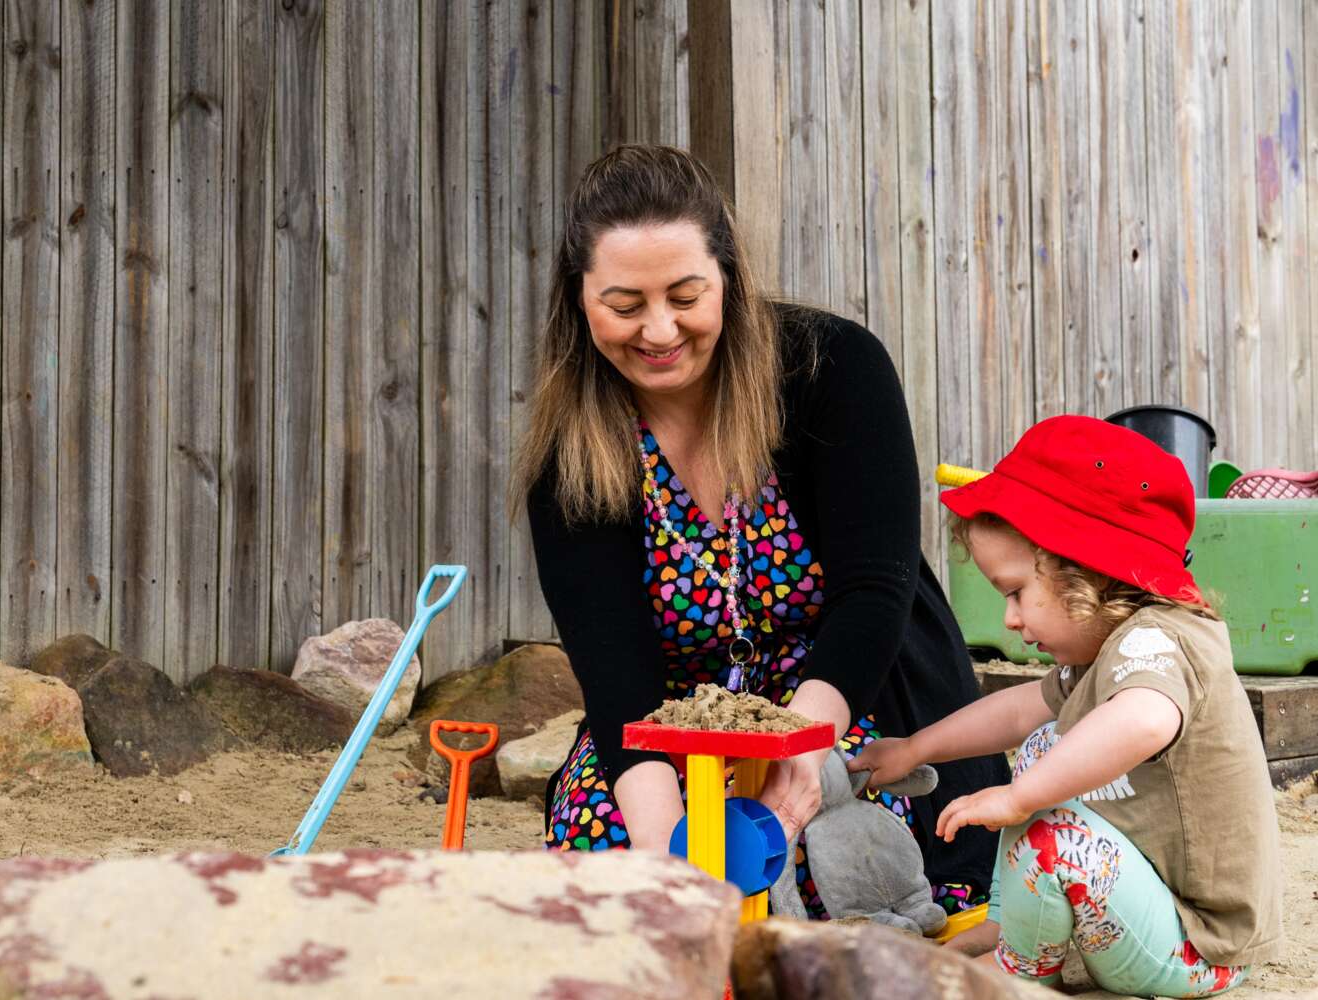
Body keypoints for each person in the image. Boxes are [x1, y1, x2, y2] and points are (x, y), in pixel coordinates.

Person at [515, 144, 1006, 919]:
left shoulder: (833, 368)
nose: (658, 329)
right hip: (669, 725)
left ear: (729, 280)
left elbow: (875, 593)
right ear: (578, 302)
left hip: (850, 695)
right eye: (624, 304)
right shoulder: (569, 457)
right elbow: (614, 670)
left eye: (685, 295)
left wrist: (798, 753)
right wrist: (663, 848)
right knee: (618, 885)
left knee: (838, 868)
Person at [851, 415, 1281, 996]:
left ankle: (1019, 976)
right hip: (1149, 910)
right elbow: (1019, 709)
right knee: (1043, 743)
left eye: (1017, 592)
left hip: (1200, 944)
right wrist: (914, 747)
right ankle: (1011, 928)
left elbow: (1145, 719)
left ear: (1085, 569)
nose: (1010, 618)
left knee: (1048, 817)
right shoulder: (1106, 651)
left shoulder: (1158, 640)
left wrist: (1020, 796)